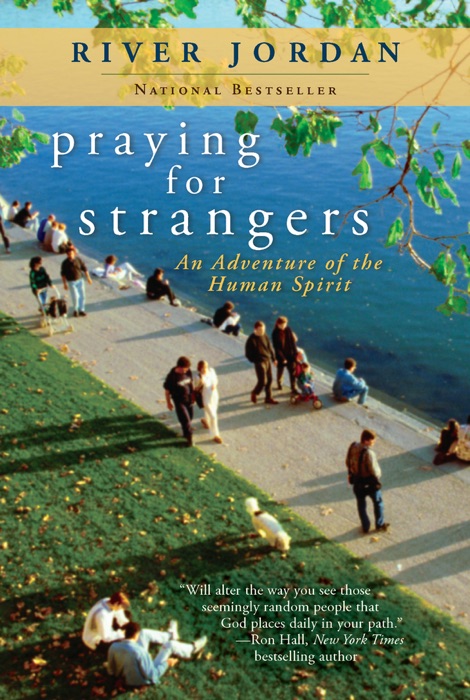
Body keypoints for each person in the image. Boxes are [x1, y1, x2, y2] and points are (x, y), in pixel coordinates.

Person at [107, 621, 207, 687]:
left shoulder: (114, 646)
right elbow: (152, 675)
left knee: (144, 633)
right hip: (139, 680)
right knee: (170, 645)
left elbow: (110, 670)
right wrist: (167, 663)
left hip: (127, 673)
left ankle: (170, 635)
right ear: (135, 635)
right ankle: (191, 650)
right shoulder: (141, 652)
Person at [346, 429, 389, 534]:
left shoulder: (353, 446)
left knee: (361, 504)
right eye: (372, 440)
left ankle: (365, 526)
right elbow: (374, 470)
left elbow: (348, 462)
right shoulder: (369, 453)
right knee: (378, 502)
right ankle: (379, 524)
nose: (374, 442)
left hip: (357, 481)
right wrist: (378, 476)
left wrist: (353, 472)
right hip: (370, 482)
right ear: (366, 441)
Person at [245, 321, 278, 405]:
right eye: (261, 330)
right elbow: (248, 354)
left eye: (264, 330)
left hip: (267, 360)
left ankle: (268, 398)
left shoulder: (264, 335)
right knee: (262, 381)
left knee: (270, 380)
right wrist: (256, 360)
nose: (263, 331)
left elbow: (270, 347)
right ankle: (255, 392)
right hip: (259, 362)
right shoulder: (251, 340)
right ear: (255, 329)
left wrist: (274, 359)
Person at [164, 356, 194, 447]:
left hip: (188, 399)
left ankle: (185, 433)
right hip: (179, 401)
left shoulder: (188, 371)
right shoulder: (172, 377)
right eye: (185, 369)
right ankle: (189, 440)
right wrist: (168, 403)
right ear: (179, 367)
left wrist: (193, 396)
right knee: (186, 420)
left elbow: (190, 384)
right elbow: (167, 391)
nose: (186, 370)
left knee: (190, 417)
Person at [60, 245, 92, 317]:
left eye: (71, 253)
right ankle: (75, 310)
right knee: (75, 296)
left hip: (80, 280)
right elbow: (63, 274)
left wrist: (88, 278)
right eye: (69, 254)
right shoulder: (65, 263)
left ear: (74, 253)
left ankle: (81, 310)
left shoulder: (78, 260)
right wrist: (64, 284)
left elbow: (84, 269)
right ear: (67, 254)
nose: (70, 255)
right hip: (71, 281)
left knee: (82, 295)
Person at [196, 360, 223, 444]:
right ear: (200, 368)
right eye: (203, 367)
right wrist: (200, 384)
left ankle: (206, 422)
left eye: (206, 367)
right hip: (206, 398)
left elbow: (216, 379)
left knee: (212, 412)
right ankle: (215, 435)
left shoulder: (211, 371)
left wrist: (215, 384)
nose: (205, 369)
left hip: (214, 396)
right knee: (213, 416)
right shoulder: (198, 377)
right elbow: (196, 388)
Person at [271, 316, 298, 392]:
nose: (283, 327)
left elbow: (292, 342)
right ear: (278, 324)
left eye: (285, 324)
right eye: (282, 325)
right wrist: (283, 358)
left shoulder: (288, 329)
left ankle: (293, 388)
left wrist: (296, 353)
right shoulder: (275, 333)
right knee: (280, 371)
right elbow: (276, 348)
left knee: (292, 372)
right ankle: (279, 384)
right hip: (281, 356)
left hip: (290, 355)